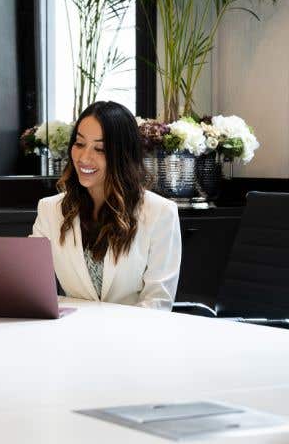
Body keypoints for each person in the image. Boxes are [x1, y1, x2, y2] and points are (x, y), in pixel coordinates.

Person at [31, 101, 181, 310]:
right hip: (71, 335)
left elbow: (157, 302)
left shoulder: (160, 212)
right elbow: (30, 286)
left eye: (100, 148)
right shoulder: (50, 210)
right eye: (80, 144)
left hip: (134, 338)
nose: (84, 157)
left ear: (122, 155)